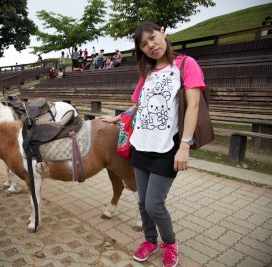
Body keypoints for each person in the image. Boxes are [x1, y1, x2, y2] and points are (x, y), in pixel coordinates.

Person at [99, 21, 205, 267]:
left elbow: (194, 107)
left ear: (163, 34)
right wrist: (116, 117)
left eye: (153, 38)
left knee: (154, 204)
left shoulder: (186, 65)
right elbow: (139, 105)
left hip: (167, 148)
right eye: (144, 44)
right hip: (141, 145)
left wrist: (185, 146)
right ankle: (150, 240)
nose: (150, 46)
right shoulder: (146, 73)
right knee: (141, 201)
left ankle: (169, 243)